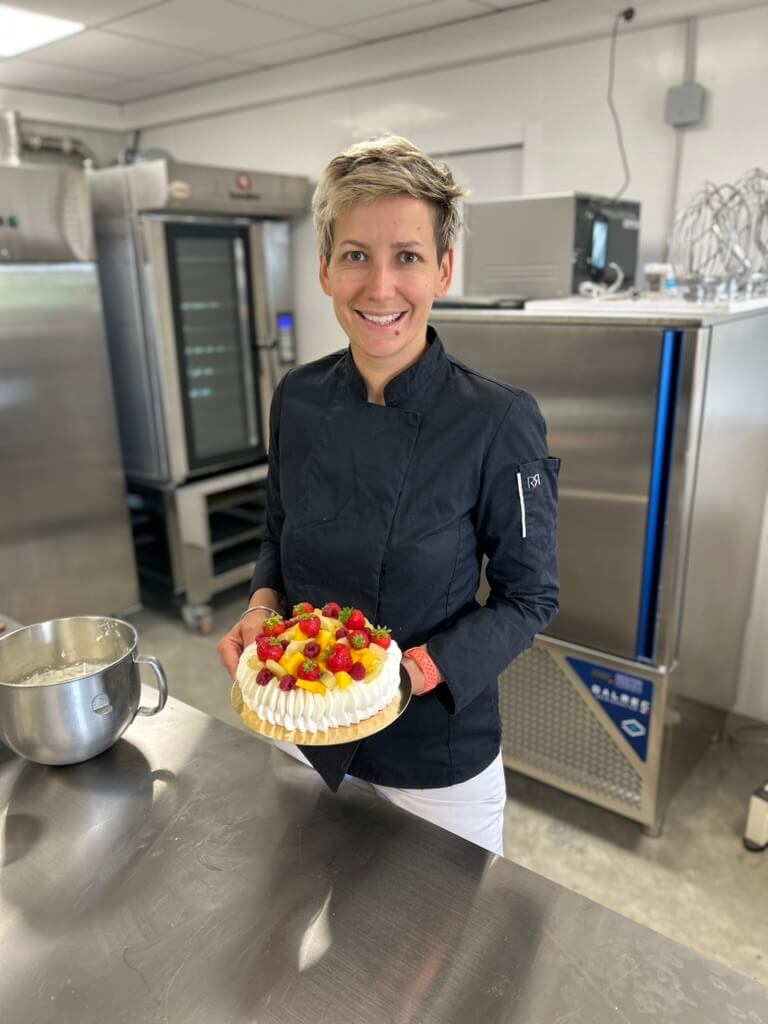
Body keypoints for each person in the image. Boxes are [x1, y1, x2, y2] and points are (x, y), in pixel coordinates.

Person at [219, 135, 560, 856]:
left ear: (443, 269)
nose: (380, 288)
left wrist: (405, 675)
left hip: (432, 760)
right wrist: (260, 609)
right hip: (302, 735)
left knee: (435, 961)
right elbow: (277, 534)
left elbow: (529, 599)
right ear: (324, 270)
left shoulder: (499, 420)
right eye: (355, 256)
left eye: (407, 256)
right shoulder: (299, 397)